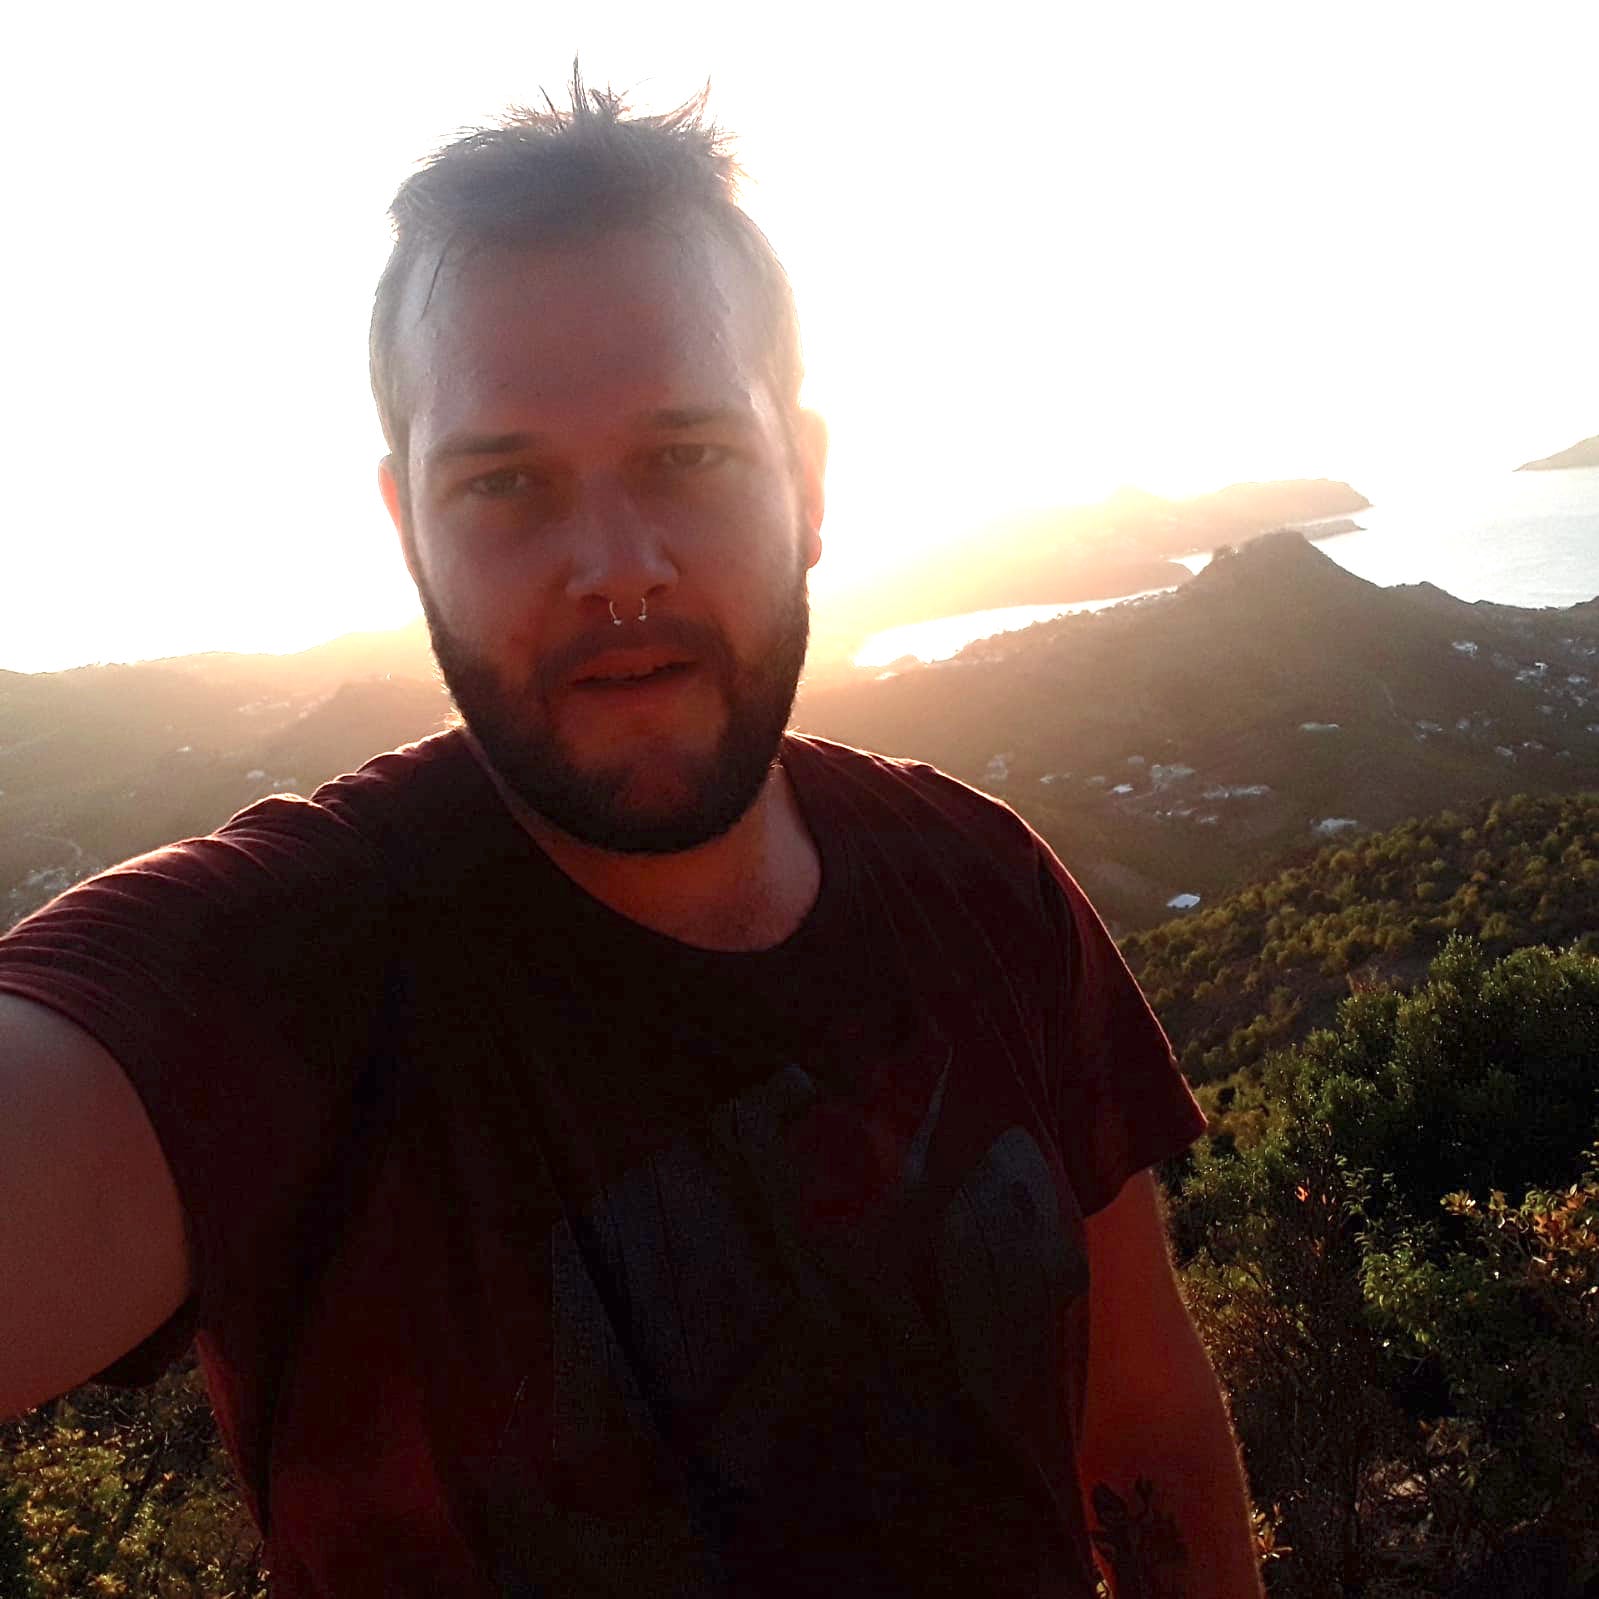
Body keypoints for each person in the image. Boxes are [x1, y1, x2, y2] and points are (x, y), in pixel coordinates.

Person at [0, 70, 1263, 1598]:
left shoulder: (988, 887)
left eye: (687, 455)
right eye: (506, 483)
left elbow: (1144, 1431)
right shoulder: (277, 973)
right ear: (409, 532)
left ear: (807, 480)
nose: (616, 565)